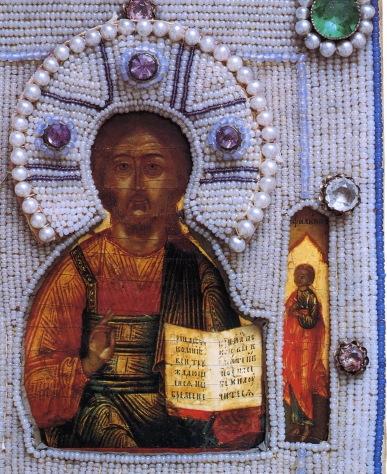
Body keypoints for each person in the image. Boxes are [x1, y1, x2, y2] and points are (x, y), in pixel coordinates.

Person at [24, 111, 264, 450]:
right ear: (102, 182)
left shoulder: (198, 274)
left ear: (177, 183)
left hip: (177, 428)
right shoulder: (78, 269)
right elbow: (36, 383)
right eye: (123, 167)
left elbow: (230, 391)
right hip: (95, 418)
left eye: (153, 168)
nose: (137, 185)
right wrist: (88, 364)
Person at [283, 263, 329, 442]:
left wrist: (299, 314)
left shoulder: (311, 297)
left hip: (306, 347)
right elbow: (286, 314)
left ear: (309, 279)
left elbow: (311, 321)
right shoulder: (294, 296)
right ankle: (297, 424)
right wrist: (291, 312)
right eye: (296, 275)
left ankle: (308, 426)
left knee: (303, 384)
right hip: (293, 347)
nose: (298, 278)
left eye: (302, 276)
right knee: (293, 382)